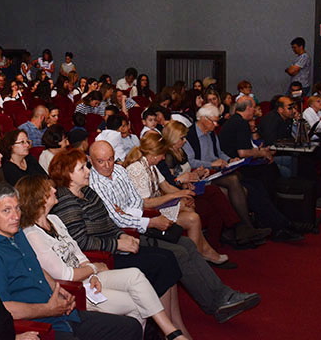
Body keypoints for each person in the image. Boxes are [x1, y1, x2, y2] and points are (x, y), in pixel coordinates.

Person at [87, 141, 261, 322]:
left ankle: (223, 294)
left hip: (139, 224)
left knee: (187, 244)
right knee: (178, 252)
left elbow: (137, 203)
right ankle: (215, 304)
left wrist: (133, 215)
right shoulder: (95, 184)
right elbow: (116, 219)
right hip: (127, 235)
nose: (107, 165)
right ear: (91, 161)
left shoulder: (120, 171)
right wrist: (148, 221)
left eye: (110, 159)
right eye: (101, 161)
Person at [16, 175, 196, 340]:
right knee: (137, 304)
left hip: (89, 276)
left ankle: (172, 335)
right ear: (39, 198)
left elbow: (77, 251)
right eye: (49, 190)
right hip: (75, 289)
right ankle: (170, 337)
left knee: (135, 275)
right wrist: (94, 269)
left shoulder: (54, 219)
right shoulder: (32, 234)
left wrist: (90, 269)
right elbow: (66, 275)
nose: (55, 190)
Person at [0, 182, 142, 340]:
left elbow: (35, 266)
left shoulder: (16, 232)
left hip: (62, 314)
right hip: (40, 327)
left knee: (131, 327)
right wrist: (48, 309)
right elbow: (4, 309)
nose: (16, 216)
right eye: (7, 210)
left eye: (17, 208)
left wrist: (58, 289)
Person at [187, 104, 305, 240]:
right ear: (202, 119)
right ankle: (248, 227)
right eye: (213, 121)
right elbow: (190, 162)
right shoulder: (189, 135)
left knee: (253, 185)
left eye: (216, 121)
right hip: (202, 174)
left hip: (217, 170)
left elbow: (219, 153)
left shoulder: (211, 134)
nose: (216, 125)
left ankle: (277, 223)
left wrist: (229, 159)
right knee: (235, 180)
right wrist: (212, 164)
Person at [160, 121, 270, 249]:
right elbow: (170, 182)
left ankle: (237, 230)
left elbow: (187, 172)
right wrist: (184, 182)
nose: (185, 141)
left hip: (190, 185)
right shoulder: (168, 156)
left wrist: (198, 173)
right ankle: (237, 228)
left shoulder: (180, 151)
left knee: (225, 186)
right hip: (180, 191)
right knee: (216, 192)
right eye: (182, 138)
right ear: (173, 138)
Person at [123, 134, 230, 266]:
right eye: (162, 154)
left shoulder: (150, 165)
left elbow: (166, 186)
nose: (163, 158)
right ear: (155, 154)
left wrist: (183, 195)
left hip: (154, 208)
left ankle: (201, 253)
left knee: (188, 207)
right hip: (147, 215)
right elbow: (146, 203)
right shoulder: (137, 169)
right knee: (192, 218)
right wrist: (176, 196)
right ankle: (198, 258)